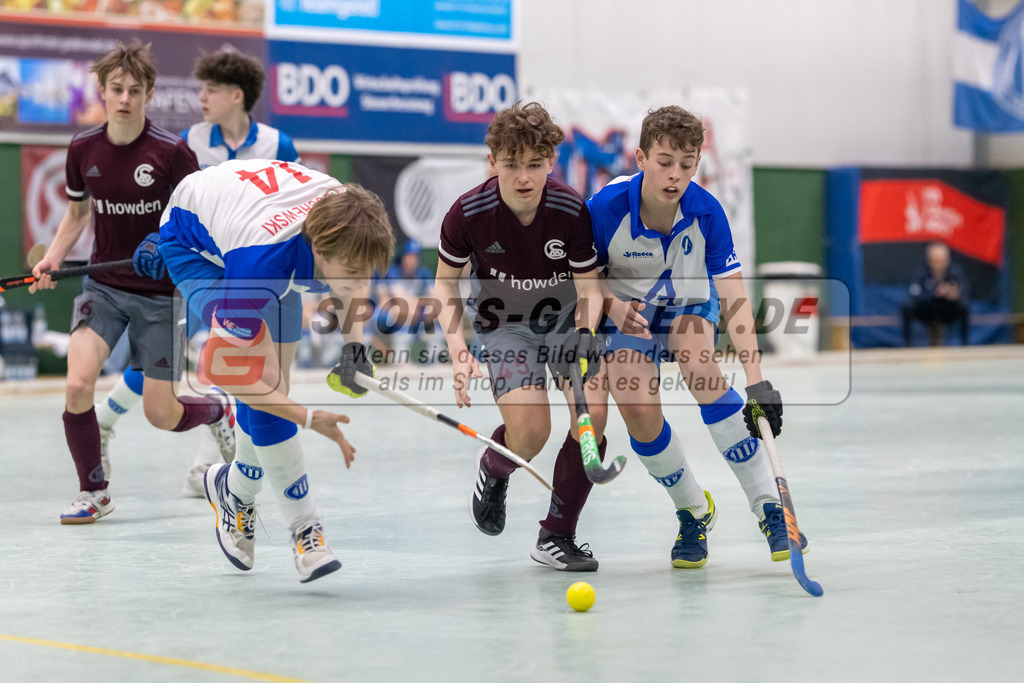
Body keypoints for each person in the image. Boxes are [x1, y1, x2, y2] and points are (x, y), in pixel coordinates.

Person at [153, 158, 394, 582]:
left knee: (271, 391)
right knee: (262, 384)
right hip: (195, 245)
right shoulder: (262, 264)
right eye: (353, 272)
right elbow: (223, 371)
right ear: (319, 251)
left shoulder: (347, 222)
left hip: (256, 222)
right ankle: (306, 529)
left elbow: (356, 279)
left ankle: (234, 491)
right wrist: (306, 416)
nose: (362, 281)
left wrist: (355, 344)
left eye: (367, 271)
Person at [588, 105, 809, 568]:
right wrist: (610, 306)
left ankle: (769, 507)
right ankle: (692, 510)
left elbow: (734, 298)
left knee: (701, 369)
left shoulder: (707, 212)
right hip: (627, 308)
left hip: (689, 302)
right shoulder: (604, 209)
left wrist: (757, 382)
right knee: (637, 407)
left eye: (686, 165)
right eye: (664, 161)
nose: (675, 175)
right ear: (640, 158)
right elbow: (583, 280)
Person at [28, 40, 235, 524]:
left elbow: (198, 221)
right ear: (102, 91)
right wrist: (52, 259)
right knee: (78, 384)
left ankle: (218, 410)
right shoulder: (83, 148)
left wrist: (163, 243)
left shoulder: (172, 153)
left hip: (161, 295)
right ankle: (93, 490)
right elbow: (78, 213)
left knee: (161, 415)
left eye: (134, 90)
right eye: (116, 89)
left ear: (149, 95)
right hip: (102, 288)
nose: (124, 98)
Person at [97, 49, 303, 496]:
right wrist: (156, 240)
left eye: (210, 89)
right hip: (199, 270)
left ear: (236, 96)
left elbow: (295, 206)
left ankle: (209, 464)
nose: (202, 97)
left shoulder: (278, 145)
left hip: (257, 271)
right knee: (164, 360)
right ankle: (106, 422)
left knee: (239, 363)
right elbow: (178, 203)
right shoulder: (190, 140)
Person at [433, 101, 607, 572]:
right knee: (530, 434)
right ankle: (494, 468)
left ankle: (557, 535)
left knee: (594, 421)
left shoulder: (570, 209)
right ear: (492, 161)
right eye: (511, 165)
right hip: (504, 325)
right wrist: (458, 348)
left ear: (552, 161)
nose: (524, 177)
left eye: (535, 165)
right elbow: (444, 282)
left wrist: (587, 333)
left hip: (567, 321)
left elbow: (591, 287)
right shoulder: (468, 213)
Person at [371, 239, 444, 364]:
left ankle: (434, 357)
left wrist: (423, 305)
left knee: (436, 310)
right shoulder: (393, 272)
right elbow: (401, 300)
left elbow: (435, 298)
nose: (413, 261)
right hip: (384, 316)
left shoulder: (423, 272)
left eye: (415, 257)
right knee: (403, 310)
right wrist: (422, 303)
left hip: (413, 312)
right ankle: (401, 358)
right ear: (402, 258)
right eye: (409, 256)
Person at [902, 241, 970, 346]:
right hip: (928, 309)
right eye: (934, 261)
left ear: (947, 261)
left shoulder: (955, 272)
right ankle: (907, 344)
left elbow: (964, 294)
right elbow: (913, 296)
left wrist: (954, 295)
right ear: (929, 261)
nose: (937, 264)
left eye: (940, 261)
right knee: (906, 307)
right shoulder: (921, 272)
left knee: (964, 307)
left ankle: (965, 343)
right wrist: (935, 292)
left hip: (947, 310)